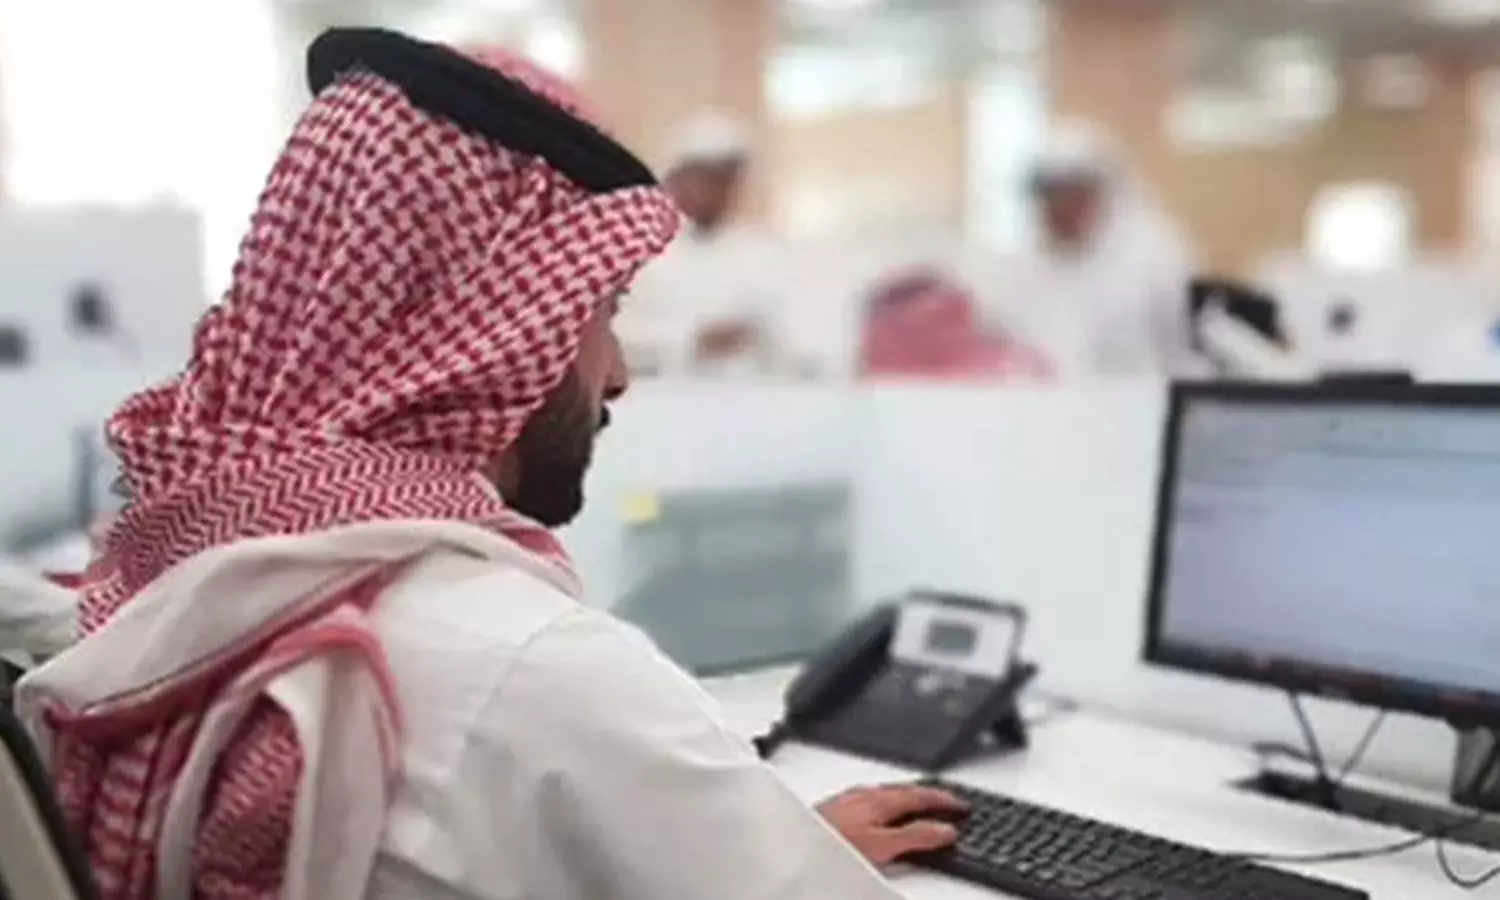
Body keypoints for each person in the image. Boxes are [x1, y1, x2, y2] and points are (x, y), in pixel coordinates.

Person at [14, 29, 962, 900]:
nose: (618, 374)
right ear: (491, 329)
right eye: (602, 314)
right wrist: (765, 849)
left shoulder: (174, 573)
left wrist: (750, 840)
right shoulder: (531, 668)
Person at [1004, 122, 1201, 377]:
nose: (1060, 209)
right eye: (1050, 197)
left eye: (1071, 195)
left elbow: (1187, 353)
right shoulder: (1029, 268)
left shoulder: (1156, 259)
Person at [615, 111, 796, 376]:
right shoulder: (641, 251)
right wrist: (694, 339)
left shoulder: (761, 251)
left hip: (746, 392)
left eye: (725, 181)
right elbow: (621, 338)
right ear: (675, 179)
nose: (715, 192)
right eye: (705, 179)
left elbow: (784, 340)